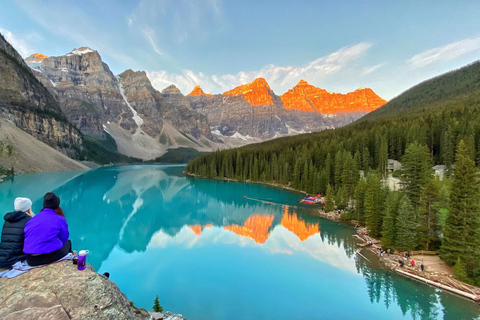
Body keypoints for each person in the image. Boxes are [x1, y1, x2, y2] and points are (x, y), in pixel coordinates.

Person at [23, 192, 72, 266]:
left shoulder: (32, 219)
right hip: (48, 256)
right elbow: (64, 238)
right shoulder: (59, 219)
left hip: (30, 260)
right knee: (68, 243)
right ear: (57, 205)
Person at [0, 198, 34, 269]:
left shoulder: (8, 220)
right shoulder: (29, 221)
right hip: (16, 260)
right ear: (28, 208)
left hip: (3, 260)